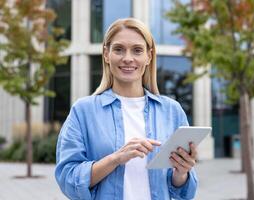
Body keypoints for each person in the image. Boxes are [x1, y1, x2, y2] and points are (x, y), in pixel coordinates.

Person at [55, 18, 198, 200]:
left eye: (137, 50)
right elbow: (67, 178)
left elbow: (183, 192)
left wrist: (182, 172)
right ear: (106, 54)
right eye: (119, 49)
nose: (128, 58)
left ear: (149, 56)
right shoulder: (83, 111)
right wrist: (116, 158)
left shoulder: (172, 111)